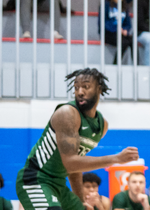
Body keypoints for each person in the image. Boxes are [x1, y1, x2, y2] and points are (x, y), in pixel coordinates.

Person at [15, 69, 139, 210]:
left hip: (58, 184)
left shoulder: (101, 126)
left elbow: (77, 165)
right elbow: (71, 163)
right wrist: (116, 158)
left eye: (85, 87)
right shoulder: (67, 113)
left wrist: (80, 202)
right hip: (35, 180)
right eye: (76, 87)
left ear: (99, 89)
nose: (79, 92)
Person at [101, 0, 133, 64]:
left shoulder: (125, 6)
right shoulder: (106, 5)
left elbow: (128, 23)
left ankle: (137, 66)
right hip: (109, 33)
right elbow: (103, 22)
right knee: (124, 42)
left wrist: (125, 29)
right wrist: (116, 29)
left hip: (121, 33)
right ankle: (115, 65)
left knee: (133, 41)